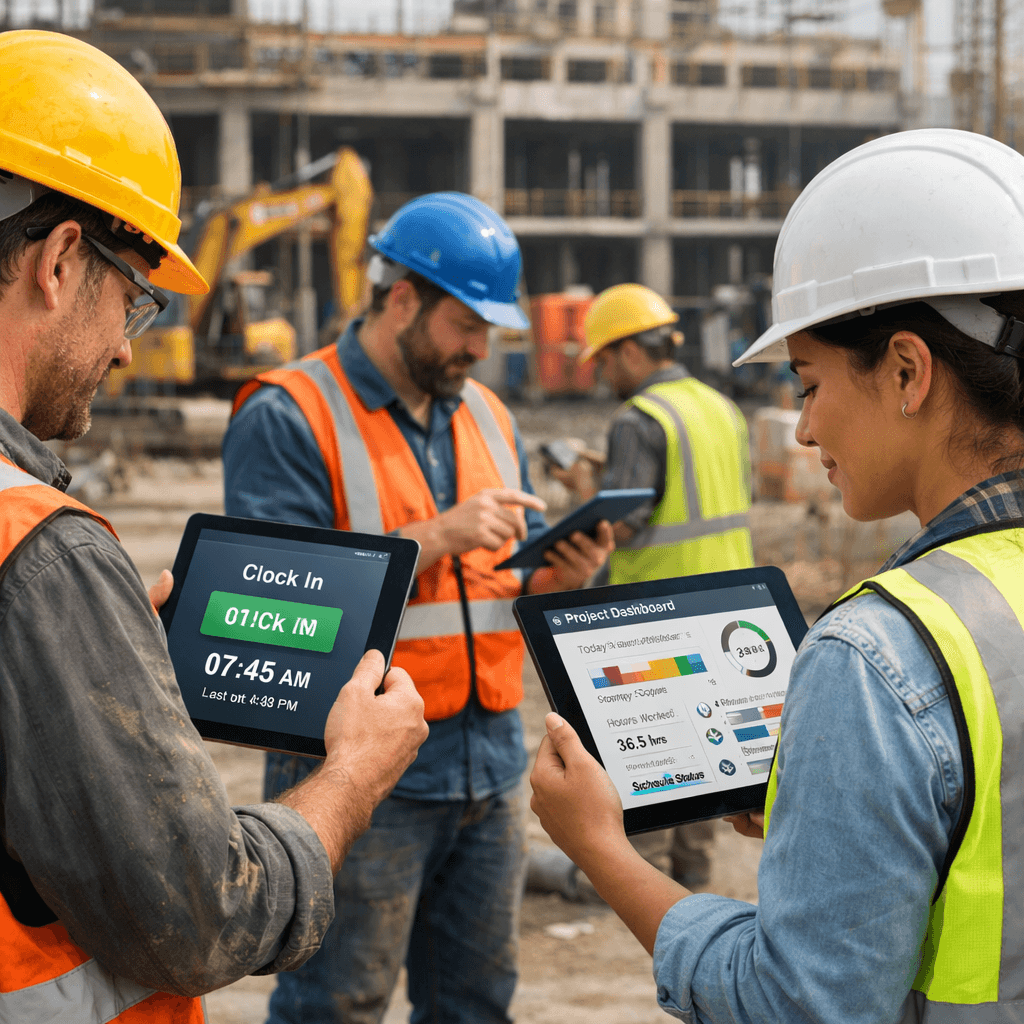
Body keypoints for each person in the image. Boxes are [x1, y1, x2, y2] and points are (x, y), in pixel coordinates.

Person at [530, 127, 1024, 1022]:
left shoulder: (880, 658)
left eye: (806, 384)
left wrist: (602, 849)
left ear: (908, 370)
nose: (801, 431)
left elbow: (797, 1005)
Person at [0, 30, 429, 1023]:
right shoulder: (39, 547)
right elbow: (198, 916)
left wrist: (93, 679)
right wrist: (353, 774)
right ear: (62, 261)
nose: (122, 345)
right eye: (135, 299)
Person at [222, 191, 614, 1024]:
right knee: (339, 1005)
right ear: (401, 298)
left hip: (489, 762)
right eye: (466, 324)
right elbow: (268, 605)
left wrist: (560, 578)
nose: (481, 347)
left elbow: (496, 595)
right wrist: (433, 535)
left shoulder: (489, 412)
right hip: (363, 775)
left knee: (477, 1004)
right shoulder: (290, 412)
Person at [549, 282, 754, 887]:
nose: (605, 373)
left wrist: (580, 491)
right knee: (714, 751)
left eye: (604, 359)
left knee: (657, 761)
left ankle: (646, 885)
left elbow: (622, 527)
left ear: (630, 352)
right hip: (729, 610)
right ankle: (695, 876)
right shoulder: (720, 407)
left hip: (656, 615)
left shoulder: (638, 420)